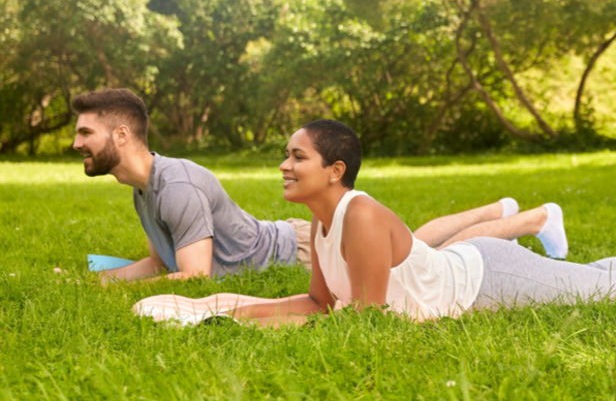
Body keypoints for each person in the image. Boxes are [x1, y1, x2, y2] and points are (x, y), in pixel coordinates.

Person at [134, 120, 616, 326]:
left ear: (334, 170)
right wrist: (221, 310)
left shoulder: (359, 216)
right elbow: (319, 304)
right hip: (479, 272)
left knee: (609, 289)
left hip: (486, 280)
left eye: (296, 157)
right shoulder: (322, 228)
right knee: (593, 276)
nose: (283, 165)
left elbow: (364, 323)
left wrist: (231, 313)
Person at [70, 88, 569, 282]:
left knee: (425, 257)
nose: (76, 143)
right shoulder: (146, 189)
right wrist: (94, 283)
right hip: (292, 238)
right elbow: (165, 261)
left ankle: (535, 219)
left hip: (299, 250)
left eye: (85, 133)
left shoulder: (176, 185)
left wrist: (143, 299)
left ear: (122, 135)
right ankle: (500, 210)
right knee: (417, 242)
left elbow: (195, 276)